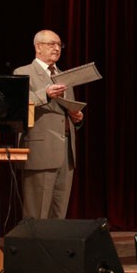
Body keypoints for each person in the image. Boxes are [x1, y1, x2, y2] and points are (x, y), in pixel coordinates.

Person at [14, 29, 84, 219]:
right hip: (41, 150)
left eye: (59, 45)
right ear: (38, 47)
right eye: (51, 44)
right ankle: (34, 241)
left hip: (66, 152)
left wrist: (76, 118)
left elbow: (66, 110)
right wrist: (44, 94)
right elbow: (17, 105)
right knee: (37, 214)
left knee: (58, 213)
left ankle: (55, 241)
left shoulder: (64, 75)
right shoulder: (23, 72)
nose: (57, 48)